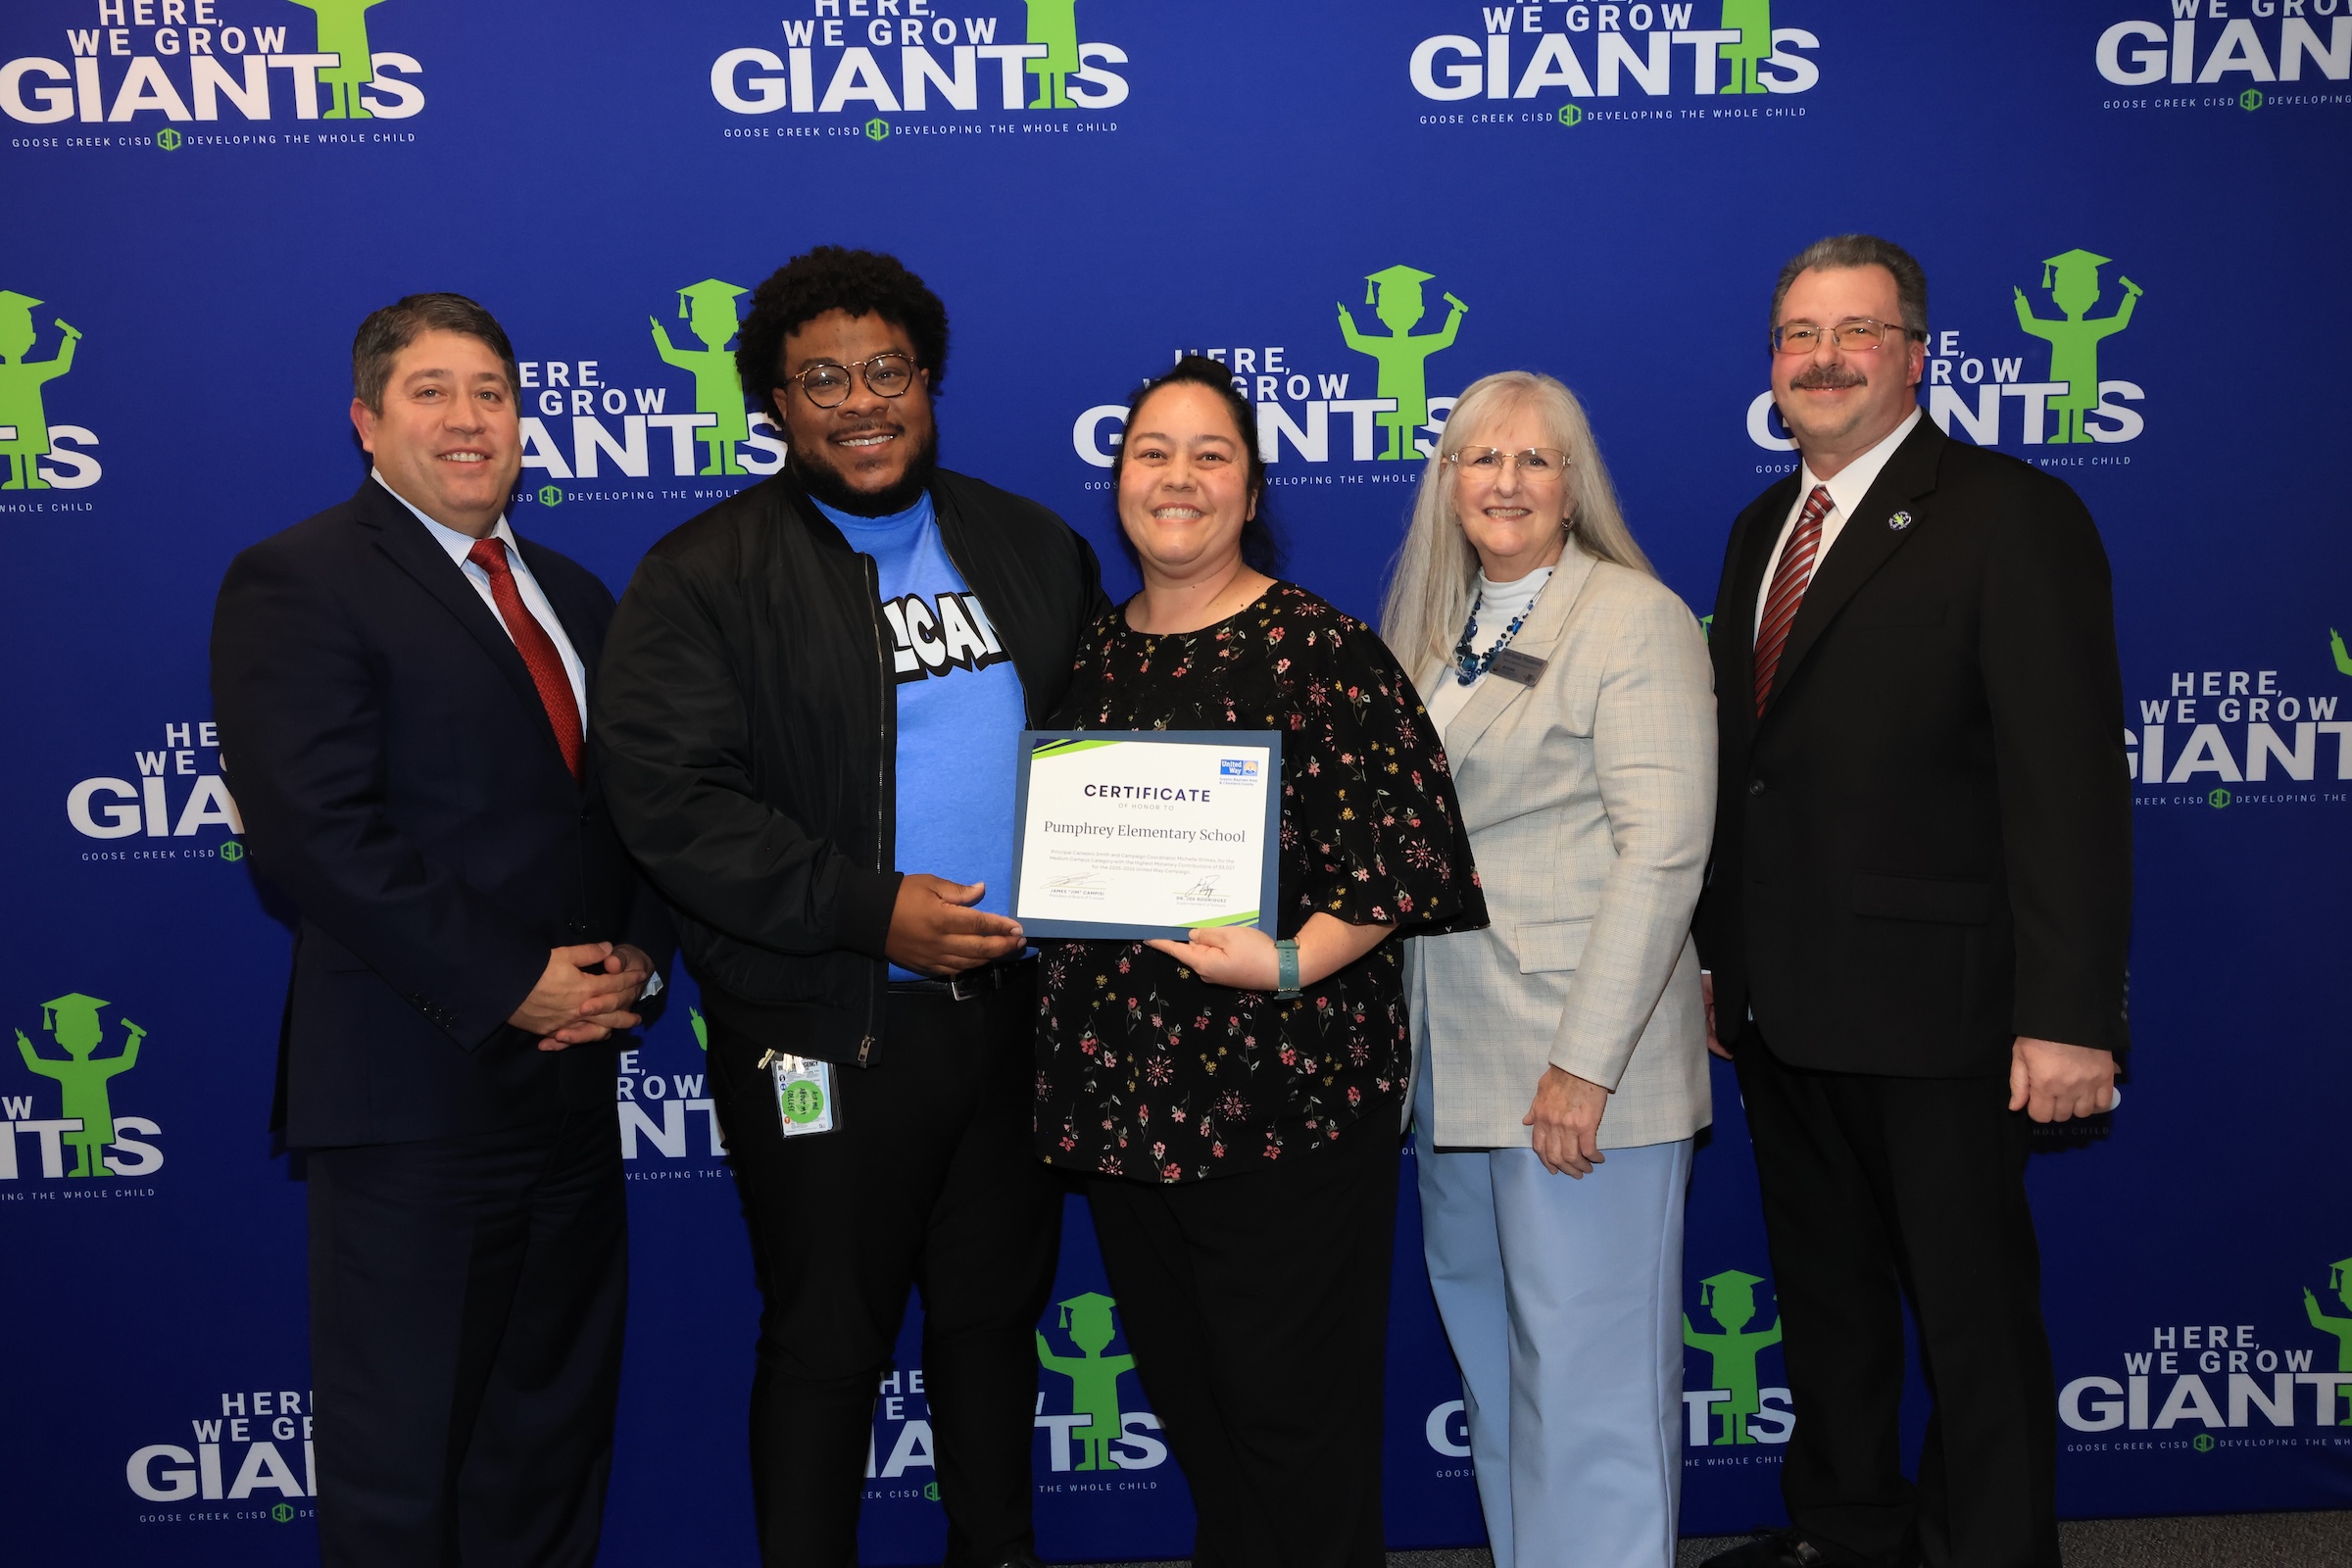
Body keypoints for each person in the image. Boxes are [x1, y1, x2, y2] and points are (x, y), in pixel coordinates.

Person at [592, 246, 1107, 1568]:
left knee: (995, 1325)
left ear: (927, 381)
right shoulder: (703, 576)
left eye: (885, 370)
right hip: (828, 1025)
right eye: (821, 378)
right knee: (827, 1343)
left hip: (1011, 1020)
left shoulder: (1029, 543)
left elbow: (1112, 749)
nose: (859, 400)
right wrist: (873, 911)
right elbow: (673, 801)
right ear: (776, 401)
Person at [210, 293, 674, 1567]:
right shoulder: (296, 579)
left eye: (492, 393)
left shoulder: (575, 592)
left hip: (573, 1097)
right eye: (432, 391)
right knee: (405, 1461)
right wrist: (511, 980)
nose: (469, 419)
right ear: (367, 421)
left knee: (548, 1447)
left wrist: (638, 953)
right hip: (414, 1099)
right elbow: (312, 833)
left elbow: (628, 808)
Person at [1695, 235, 2132, 1568]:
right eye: (1797, 335)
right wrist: (1724, 966)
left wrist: (2068, 1016)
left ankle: (1993, 1551)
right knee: (1826, 1307)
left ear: (1916, 355)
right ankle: (1847, 1536)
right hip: (1782, 1007)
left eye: (1854, 332)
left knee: (1972, 1321)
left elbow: (2068, 786)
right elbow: (1751, 771)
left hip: (1944, 1015)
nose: (1822, 358)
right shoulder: (1763, 526)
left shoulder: (2011, 515)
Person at [1032, 355, 1486, 1568]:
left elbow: (1409, 857)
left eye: (1209, 454)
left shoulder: (1320, 650)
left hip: (1284, 1102)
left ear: (1250, 489)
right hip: (1123, 1108)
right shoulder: (1082, 659)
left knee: (1296, 1424)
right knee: (1201, 1414)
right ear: (1117, 479)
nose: (1177, 477)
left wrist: (1288, 964)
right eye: (1151, 453)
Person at [1382, 370, 1716, 1568]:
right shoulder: (1437, 628)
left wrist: (1586, 1066)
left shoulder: (1634, 618)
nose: (1507, 481)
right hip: (1456, 1072)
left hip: (1578, 1078)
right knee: (1509, 1384)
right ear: (1449, 482)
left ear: (1574, 487)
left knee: (1593, 1397)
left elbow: (1665, 850)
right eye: (1481, 457)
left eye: (1536, 459)